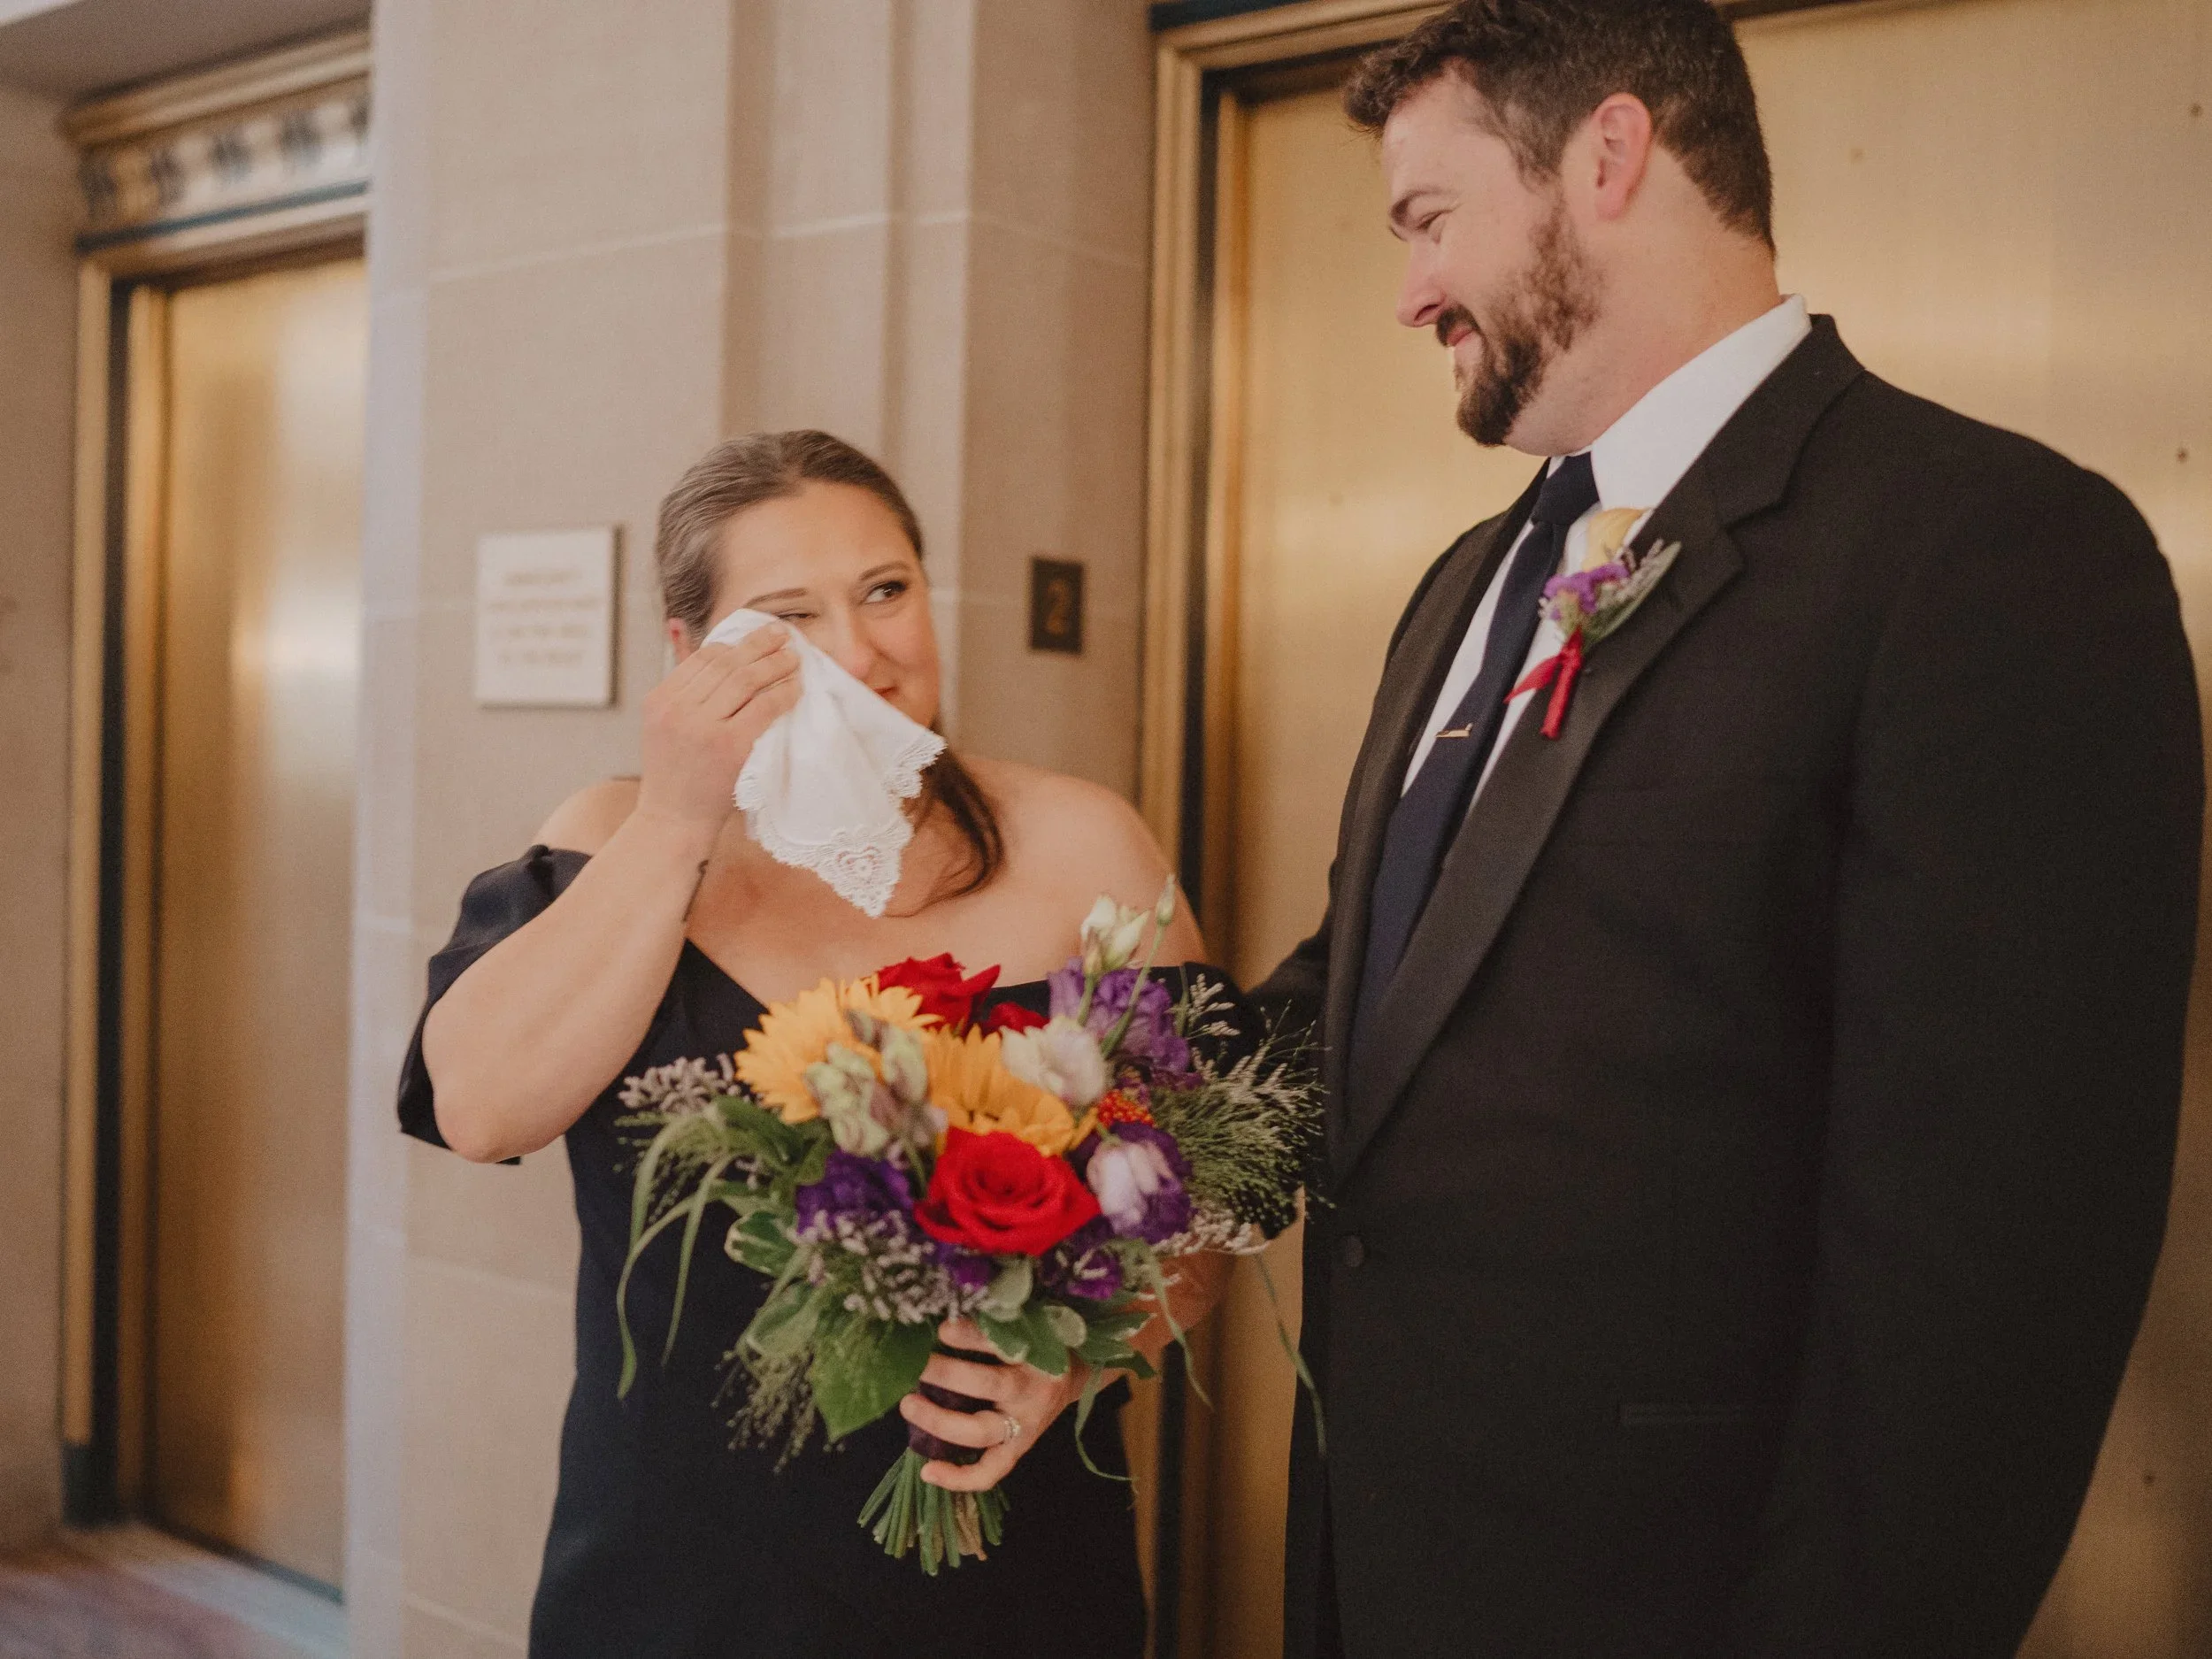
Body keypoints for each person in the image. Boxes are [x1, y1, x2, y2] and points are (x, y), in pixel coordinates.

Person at [1256, 4, 2202, 1656]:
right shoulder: (1462, 586)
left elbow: (1992, 1284)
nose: (1407, 290)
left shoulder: (1992, 552)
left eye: (1428, 219)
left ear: (1609, 155)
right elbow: (1369, 1001)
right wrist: (1003, 1115)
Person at [398, 429, 1225, 1658]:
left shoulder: (1081, 843)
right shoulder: (612, 835)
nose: (860, 649)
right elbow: (479, 1107)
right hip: (680, 1568)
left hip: (1008, 1564)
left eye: (886, 589)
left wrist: (1087, 1363)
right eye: (790, 619)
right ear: (692, 653)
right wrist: (679, 815)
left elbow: (1208, 1200)